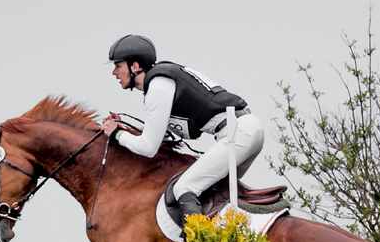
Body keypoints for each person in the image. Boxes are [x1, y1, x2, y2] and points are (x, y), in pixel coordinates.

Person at [101, 34, 264, 221]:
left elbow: (148, 148)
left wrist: (117, 133)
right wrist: (125, 124)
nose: (114, 72)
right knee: (213, 188)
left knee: (184, 188)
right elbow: (163, 130)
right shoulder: (162, 80)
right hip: (245, 128)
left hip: (238, 133)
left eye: (118, 66)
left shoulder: (157, 86)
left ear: (135, 66)